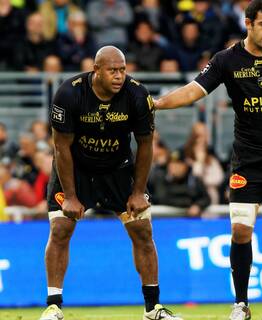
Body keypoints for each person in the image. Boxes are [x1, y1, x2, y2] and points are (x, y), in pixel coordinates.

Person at [154, 1, 262, 319]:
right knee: (240, 231)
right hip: (248, 159)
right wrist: (157, 103)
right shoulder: (227, 60)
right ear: (248, 23)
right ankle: (241, 304)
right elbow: (194, 90)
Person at [39, 46, 182, 320]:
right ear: (96, 70)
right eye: (112, 70)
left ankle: (152, 308)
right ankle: (54, 306)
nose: (119, 76)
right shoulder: (69, 94)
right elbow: (61, 148)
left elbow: (145, 145)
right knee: (60, 230)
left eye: (122, 70)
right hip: (76, 170)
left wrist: (139, 191)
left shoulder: (138, 95)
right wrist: (70, 195)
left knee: (142, 231)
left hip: (118, 170)